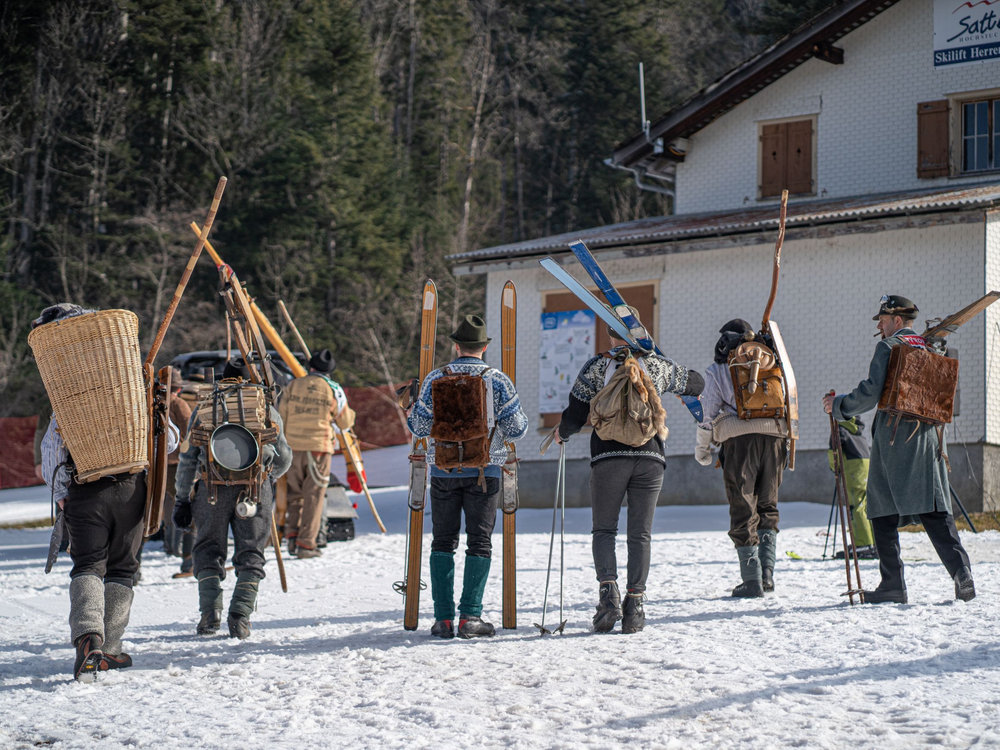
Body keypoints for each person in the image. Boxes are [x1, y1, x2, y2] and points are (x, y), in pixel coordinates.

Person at [35, 303, 179, 681]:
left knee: (87, 565)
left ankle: (88, 640)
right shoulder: (132, 396)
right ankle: (110, 649)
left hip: (85, 490)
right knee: (122, 569)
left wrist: (62, 493)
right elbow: (170, 441)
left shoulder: (69, 404)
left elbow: (51, 452)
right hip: (132, 490)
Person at [556, 307, 703, 633]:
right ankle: (635, 606)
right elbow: (696, 382)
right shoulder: (656, 365)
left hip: (608, 457)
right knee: (640, 533)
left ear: (610, 334)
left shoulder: (597, 367)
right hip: (650, 458)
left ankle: (608, 595)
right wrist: (679, 383)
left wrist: (562, 432)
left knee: (604, 530)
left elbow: (575, 413)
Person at [823, 295, 975, 604]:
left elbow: (869, 394)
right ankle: (962, 574)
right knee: (934, 507)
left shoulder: (889, 347)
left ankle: (892, 584)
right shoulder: (931, 346)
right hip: (932, 437)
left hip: (895, 438)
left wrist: (838, 405)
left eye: (882, 320)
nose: (879, 327)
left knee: (881, 508)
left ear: (896, 320)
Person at [407, 314, 528, 639]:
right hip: (485, 471)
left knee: (442, 541)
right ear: (484, 347)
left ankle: (443, 619)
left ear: (457, 346)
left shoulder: (435, 377)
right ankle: (470, 617)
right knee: (480, 541)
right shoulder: (498, 380)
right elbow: (517, 429)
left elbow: (419, 427)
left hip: (443, 470)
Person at [173, 358, 293, 638]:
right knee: (251, 552)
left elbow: (188, 458)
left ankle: (210, 614)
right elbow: (285, 457)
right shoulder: (265, 408)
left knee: (207, 549)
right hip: (254, 490)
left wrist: (182, 498)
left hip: (211, 488)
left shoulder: (205, 406)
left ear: (222, 378)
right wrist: (268, 477)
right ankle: (240, 616)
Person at [694, 319, 788, 598]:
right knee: (768, 505)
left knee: (743, 506)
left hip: (739, 442)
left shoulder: (719, 369)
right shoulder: (772, 362)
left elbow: (708, 414)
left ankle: (751, 580)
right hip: (775, 438)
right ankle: (767, 575)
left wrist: (702, 449)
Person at [277, 348, 355, 559]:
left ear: (310, 367)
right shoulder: (333, 389)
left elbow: (281, 416)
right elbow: (345, 422)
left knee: (295, 494)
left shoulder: (293, 385)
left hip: (292, 447)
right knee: (313, 496)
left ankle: (292, 537)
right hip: (318, 449)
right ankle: (306, 544)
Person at [827, 416, 877, 559]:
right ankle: (874, 543)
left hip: (853, 468)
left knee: (856, 507)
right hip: (866, 467)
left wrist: (835, 469)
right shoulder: (858, 431)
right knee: (866, 506)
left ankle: (863, 544)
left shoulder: (839, 430)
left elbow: (834, 454)